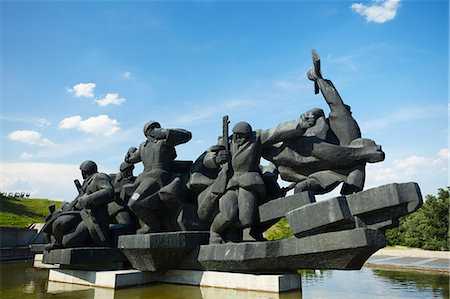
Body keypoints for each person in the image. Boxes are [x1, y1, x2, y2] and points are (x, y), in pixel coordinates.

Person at [203, 113, 317, 244]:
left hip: (248, 183)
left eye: (242, 136)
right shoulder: (225, 141)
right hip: (228, 183)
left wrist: (300, 124)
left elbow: (276, 132)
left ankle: (233, 234)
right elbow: (207, 158)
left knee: (246, 219)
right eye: (236, 136)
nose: (238, 139)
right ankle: (215, 232)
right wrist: (216, 159)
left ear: (248, 134)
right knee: (228, 214)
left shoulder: (256, 138)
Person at [125, 120, 192, 233]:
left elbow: (186, 135)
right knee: (127, 196)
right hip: (143, 178)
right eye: (151, 128)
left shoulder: (164, 141)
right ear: (146, 132)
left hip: (158, 176)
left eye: (156, 127)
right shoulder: (143, 146)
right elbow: (131, 160)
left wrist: (164, 132)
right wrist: (128, 156)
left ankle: (153, 225)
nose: (154, 130)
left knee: (134, 202)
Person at [44, 160, 114, 250]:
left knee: (67, 242)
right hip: (81, 215)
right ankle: (57, 243)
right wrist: (69, 206)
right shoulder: (86, 183)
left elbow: (109, 191)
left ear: (84, 172)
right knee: (59, 223)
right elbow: (79, 200)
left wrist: (88, 199)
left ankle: (87, 244)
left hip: (93, 219)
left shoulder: (99, 176)